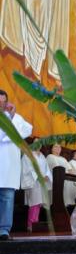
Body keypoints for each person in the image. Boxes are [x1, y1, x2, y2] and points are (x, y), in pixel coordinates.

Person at [0, 90, 33, 240]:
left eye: (3, 102)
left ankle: (4, 230)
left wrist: (13, 116)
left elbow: (28, 130)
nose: (1, 105)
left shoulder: (14, 118)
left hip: (8, 167)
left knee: (7, 198)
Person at [20, 137, 51, 233]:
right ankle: (31, 225)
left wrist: (47, 175)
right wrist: (38, 176)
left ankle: (36, 224)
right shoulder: (28, 155)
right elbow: (26, 168)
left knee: (39, 203)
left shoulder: (42, 156)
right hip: (33, 182)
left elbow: (47, 168)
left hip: (42, 182)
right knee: (34, 203)